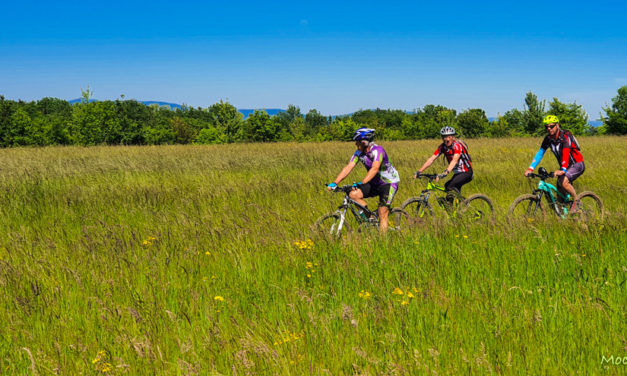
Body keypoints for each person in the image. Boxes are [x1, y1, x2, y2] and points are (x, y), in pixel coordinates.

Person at [327, 128, 400, 233]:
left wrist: (362, 182)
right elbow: (348, 167)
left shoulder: (378, 150)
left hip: (388, 183)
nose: (355, 144)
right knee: (353, 195)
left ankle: (383, 242)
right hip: (374, 183)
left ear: (364, 142)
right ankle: (370, 219)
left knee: (382, 212)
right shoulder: (359, 153)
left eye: (357, 142)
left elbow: (374, 169)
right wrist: (335, 182)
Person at [524, 114, 584, 212]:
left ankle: (576, 201)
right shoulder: (548, 139)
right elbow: (540, 153)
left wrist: (563, 169)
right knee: (560, 199)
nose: (549, 129)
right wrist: (530, 168)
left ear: (557, 125)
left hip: (577, 164)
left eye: (551, 126)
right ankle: (563, 217)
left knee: (563, 182)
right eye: (546, 127)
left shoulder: (565, 136)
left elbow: (566, 152)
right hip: (564, 167)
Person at [413, 126, 473, 203]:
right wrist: (420, 171)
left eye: (448, 137)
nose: (446, 139)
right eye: (444, 137)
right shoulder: (442, 147)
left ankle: (465, 204)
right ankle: (451, 211)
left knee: (450, 186)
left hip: (466, 172)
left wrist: (446, 172)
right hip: (457, 173)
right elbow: (431, 159)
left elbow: (454, 160)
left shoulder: (457, 146)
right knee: (448, 188)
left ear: (453, 137)